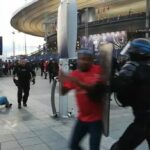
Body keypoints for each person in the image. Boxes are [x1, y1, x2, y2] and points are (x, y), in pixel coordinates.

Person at [59, 48, 106, 150]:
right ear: (78, 60)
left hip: (96, 120)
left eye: (88, 59)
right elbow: (63, 92)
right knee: (73, 146)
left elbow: (95, 90)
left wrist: (77, 82)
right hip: (82, 119)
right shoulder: (75, 74)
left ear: (92, 60)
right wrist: (62, 81)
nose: (84, 61)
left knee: (94, 147)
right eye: (82, 59)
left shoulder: (98, 70)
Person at [110, 38, 150, 150]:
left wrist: (107, 83)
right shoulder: (145, 68)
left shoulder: (133, 68)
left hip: (143, 121)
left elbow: (118, 85)